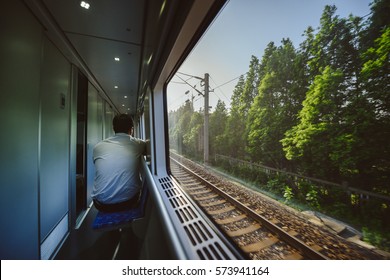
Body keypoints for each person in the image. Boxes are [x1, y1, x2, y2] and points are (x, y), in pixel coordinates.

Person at [91, 114, 146, 212]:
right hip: (129, 201)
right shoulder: (137, 144)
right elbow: (147, 148)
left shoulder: (98, 147)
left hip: (100, 203)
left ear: (113, 128)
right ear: (131, 129)